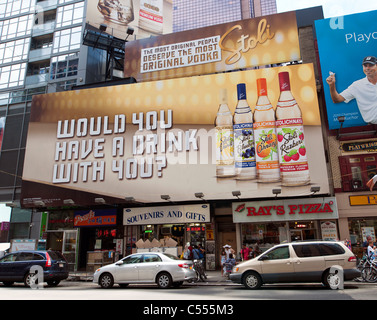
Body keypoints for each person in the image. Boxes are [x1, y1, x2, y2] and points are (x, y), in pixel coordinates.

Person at [326, 56, 377, 124]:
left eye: (371, 65)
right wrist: (332, 85)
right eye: (365, 66)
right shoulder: (357, 85)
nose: (367, 68)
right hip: (373, 126)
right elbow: (337, 99)